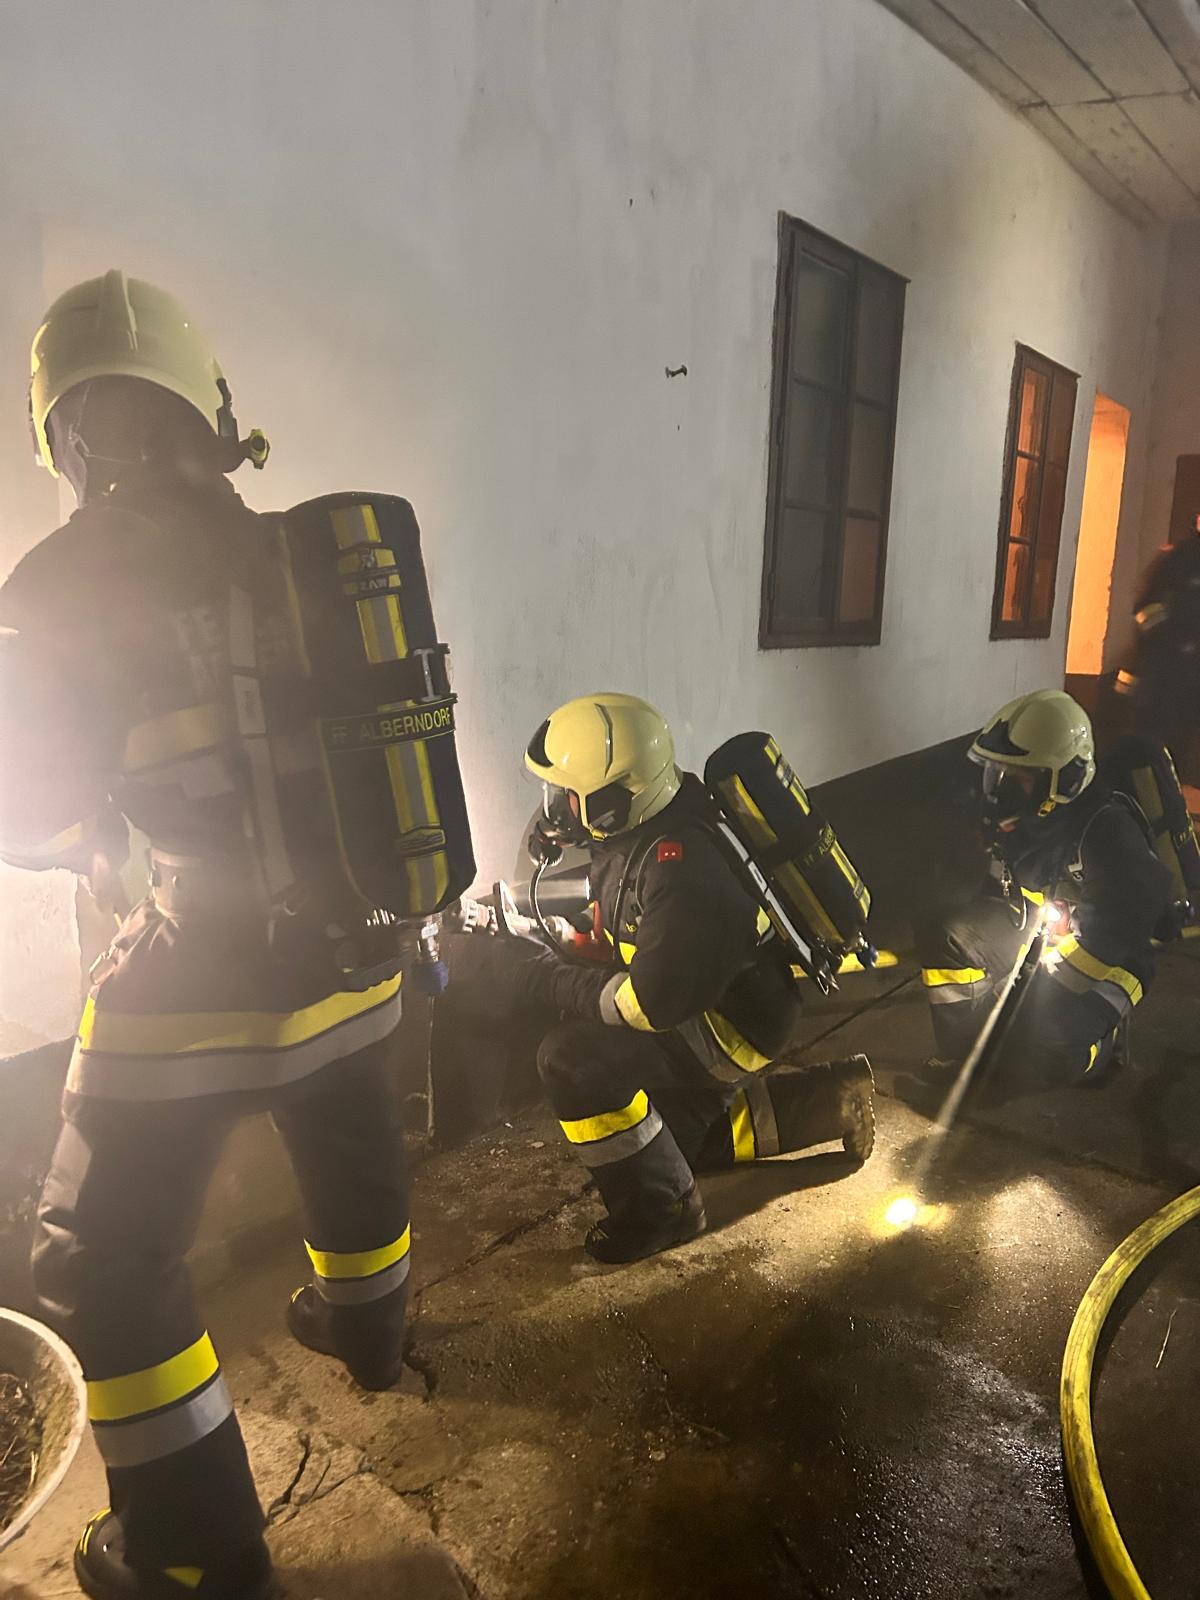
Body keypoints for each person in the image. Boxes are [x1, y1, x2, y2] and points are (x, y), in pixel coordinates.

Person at [0, 272, 418, 1599]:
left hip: (201, 980)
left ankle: (194, 1553)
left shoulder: (59, 580)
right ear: (207, 413)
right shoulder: (302, 550)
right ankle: (372, 1332)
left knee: (96, 1256)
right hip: (359, 954)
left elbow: (29, 804)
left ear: (67, 434)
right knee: (347, 1136)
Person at [510, 692, 875, 1264]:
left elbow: (645, 1004)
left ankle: (665, 1213)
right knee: (662, 1144)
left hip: (731, 1028)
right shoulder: (640, 828)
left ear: (613, 801)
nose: (553, 815)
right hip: (707, 1000)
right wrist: (555, 934)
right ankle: (831, 1100)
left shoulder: (683, 869)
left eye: (565, 799)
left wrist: (544, 978)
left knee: (572, 1060)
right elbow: (627, 931)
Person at [914, 690, 1171, 1106]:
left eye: (1019, 778)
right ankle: (968, 1055)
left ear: (1065, 780)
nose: (1001, 790)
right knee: (943, 934)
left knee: (1043, 1041)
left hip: (1113, 963)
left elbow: (1109, 939)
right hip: (1043, 932)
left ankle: (1102, 1051)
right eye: (998, 775)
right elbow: (998, 894)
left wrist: (1029, 995)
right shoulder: (1027, 823)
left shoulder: (1108, 831)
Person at [1116, 516, 1200, 779]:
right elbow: (1145, 607)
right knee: (1150, 748)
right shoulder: (1176, 559)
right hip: (1162, 675)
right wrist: (1175, 643)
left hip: (1190, 678)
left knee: (1180, 751)